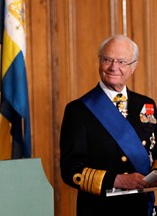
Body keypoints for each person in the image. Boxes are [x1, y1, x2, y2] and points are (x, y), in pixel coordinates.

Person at [60, 35, 157, 216]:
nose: (114, 67)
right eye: (107, 60)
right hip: (100, 209)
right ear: (99, 63)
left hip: (142, 207)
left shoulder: (146, 105)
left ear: (133, 67)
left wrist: (153, 177)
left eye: (121, 61)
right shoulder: (78, 110)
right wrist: (118, 180)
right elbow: (70, 170)